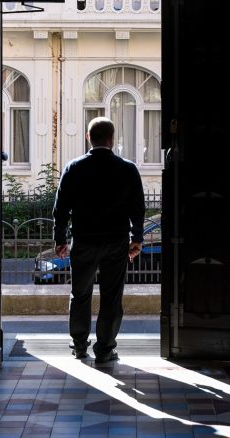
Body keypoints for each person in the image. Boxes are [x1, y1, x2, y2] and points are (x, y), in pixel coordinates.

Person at [53, 117, 145, 363]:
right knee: (111, 296)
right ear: (113, 140)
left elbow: (61, 208)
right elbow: (138, 208)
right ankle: (105, 349)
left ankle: (80, 345)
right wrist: (136, 238)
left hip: (83, 240)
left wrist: (60, 238)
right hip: (115, 241)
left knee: (80, 294)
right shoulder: (127, 169)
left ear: (88, 137)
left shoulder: (74, 168)